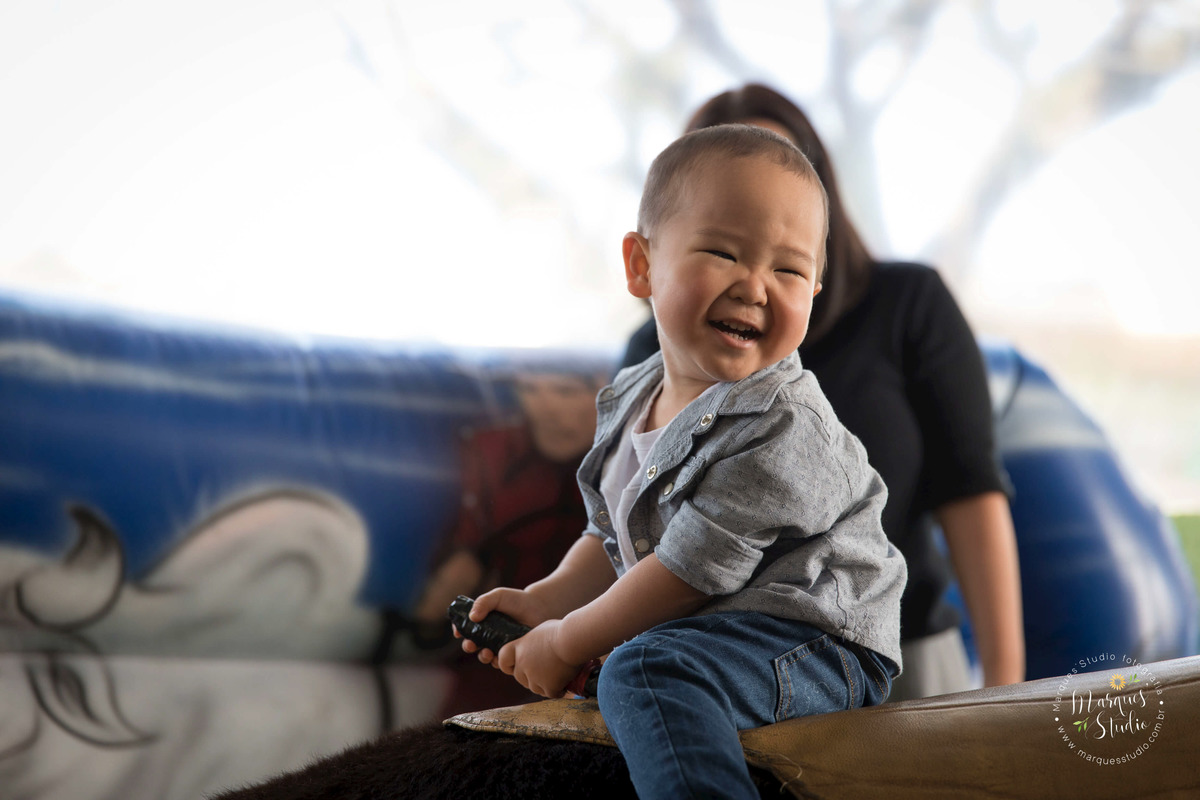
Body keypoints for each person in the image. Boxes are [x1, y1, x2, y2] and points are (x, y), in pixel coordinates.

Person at [462, 124, 907, 799]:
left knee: (643, 672)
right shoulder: (633, 394)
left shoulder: (783, 426)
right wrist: (544, 601)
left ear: (814, 290)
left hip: (817, 641)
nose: (756, 287)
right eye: (724, 253)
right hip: (721, 634)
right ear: (642, 265)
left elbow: (686, 572)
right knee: (639, 663)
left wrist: (566, 642)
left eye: (789, 269)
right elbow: (611, 533)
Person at [621, 83, 1025, 700]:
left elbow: (971, 493)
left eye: (785, 171)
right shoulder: (647, 363)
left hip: (885, 655)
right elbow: (626, 531)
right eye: (727, 234)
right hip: (714, 672)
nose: (752, 279)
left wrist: (1006, 691)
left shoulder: (908, 304)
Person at [402, 370, 605, 717]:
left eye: (565, 390)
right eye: (528, 389)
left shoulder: (634, 459)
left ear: (606, 388)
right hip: (498, 664)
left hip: (602, 657)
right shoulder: (487, 452)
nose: (545, 409)